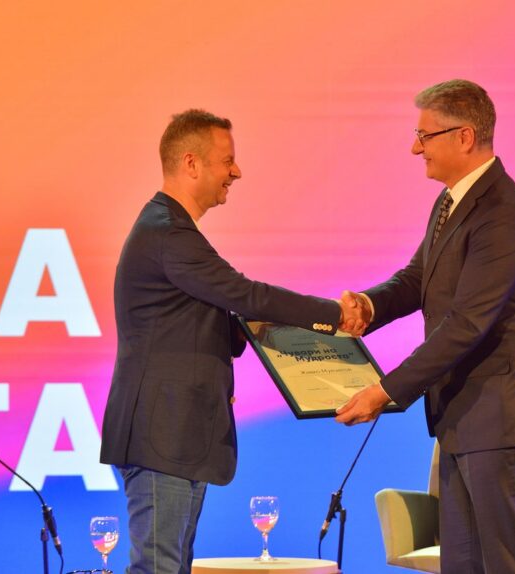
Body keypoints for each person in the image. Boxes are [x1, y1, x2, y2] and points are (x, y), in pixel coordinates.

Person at [100, 109, 365, 574]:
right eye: (227, 160)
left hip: (176, 436)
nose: (236, 172)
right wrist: (334, 316)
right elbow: (246, 295)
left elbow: (221, 317)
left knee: (171, 567)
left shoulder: (172, 230)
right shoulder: (167, 232)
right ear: (191, 163)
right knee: (159, 568)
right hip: (161, 437)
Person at [335, 79, 515, 573]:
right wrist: (368, 307)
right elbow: (418, 277)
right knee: (461, 565)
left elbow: (466, 324)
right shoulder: (451, 201)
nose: (415, 147)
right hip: (463, 419)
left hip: (500, 421)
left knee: (507, 565)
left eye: (425, 135)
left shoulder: (504, 214)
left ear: (464, 136)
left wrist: (385, 391)